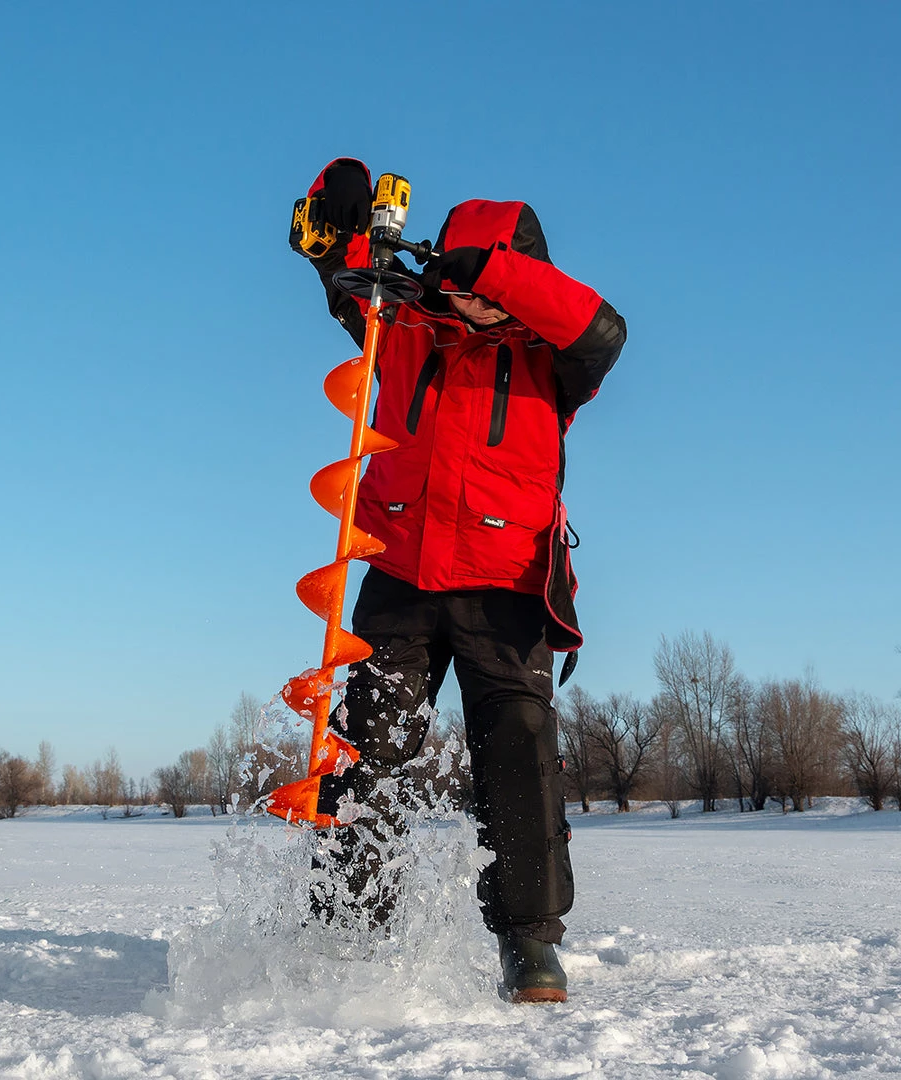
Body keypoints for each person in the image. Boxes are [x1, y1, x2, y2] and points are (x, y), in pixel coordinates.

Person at [294, 157, 626, 1003]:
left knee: (518, 761)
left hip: (506, 587)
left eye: (491, 278)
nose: (469, 300)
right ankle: (345, 935)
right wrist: (333, 241)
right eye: (461, 274)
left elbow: (603, 327)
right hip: (397, 577)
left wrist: (490, 275)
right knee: (366, 757)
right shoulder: (402, 327)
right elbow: (346, 278)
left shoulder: (558, 360)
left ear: (524, 279)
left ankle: (529, 945)